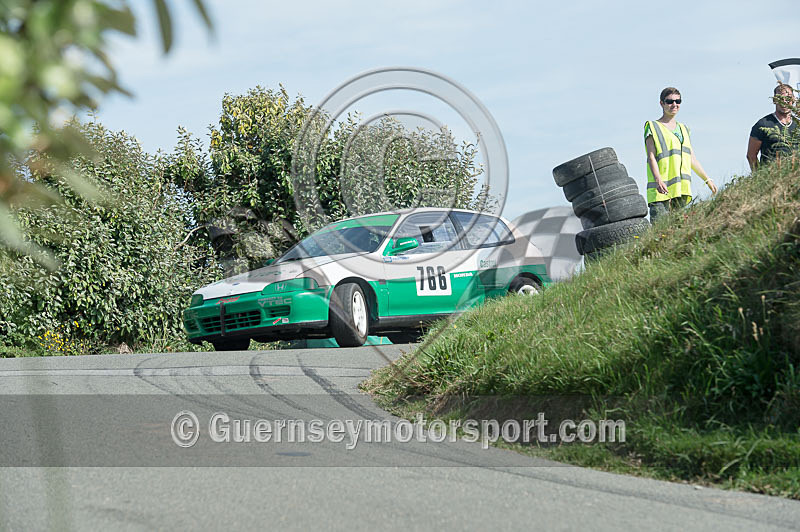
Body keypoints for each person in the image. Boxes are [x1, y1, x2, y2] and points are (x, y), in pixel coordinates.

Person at [644, 87, 717, 224]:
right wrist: (658, 180)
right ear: (662, 103)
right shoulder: (652, 126)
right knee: (660, 233)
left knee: (678, 230)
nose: (674, 104)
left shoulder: (684, 129)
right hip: (660, 191)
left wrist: (707, 179)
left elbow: (691, 158)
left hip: (681, 189)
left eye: (678, 101)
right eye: (670, 101)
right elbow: (651, 157)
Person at [746, 83, 797, 171]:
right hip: (772, 175)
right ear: (774, 100)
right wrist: (759, 177)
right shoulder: (763, 124)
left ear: (793, 100)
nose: (784, 101)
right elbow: (751, 155)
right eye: (780, 98)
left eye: (788, 98)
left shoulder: (798, 125)